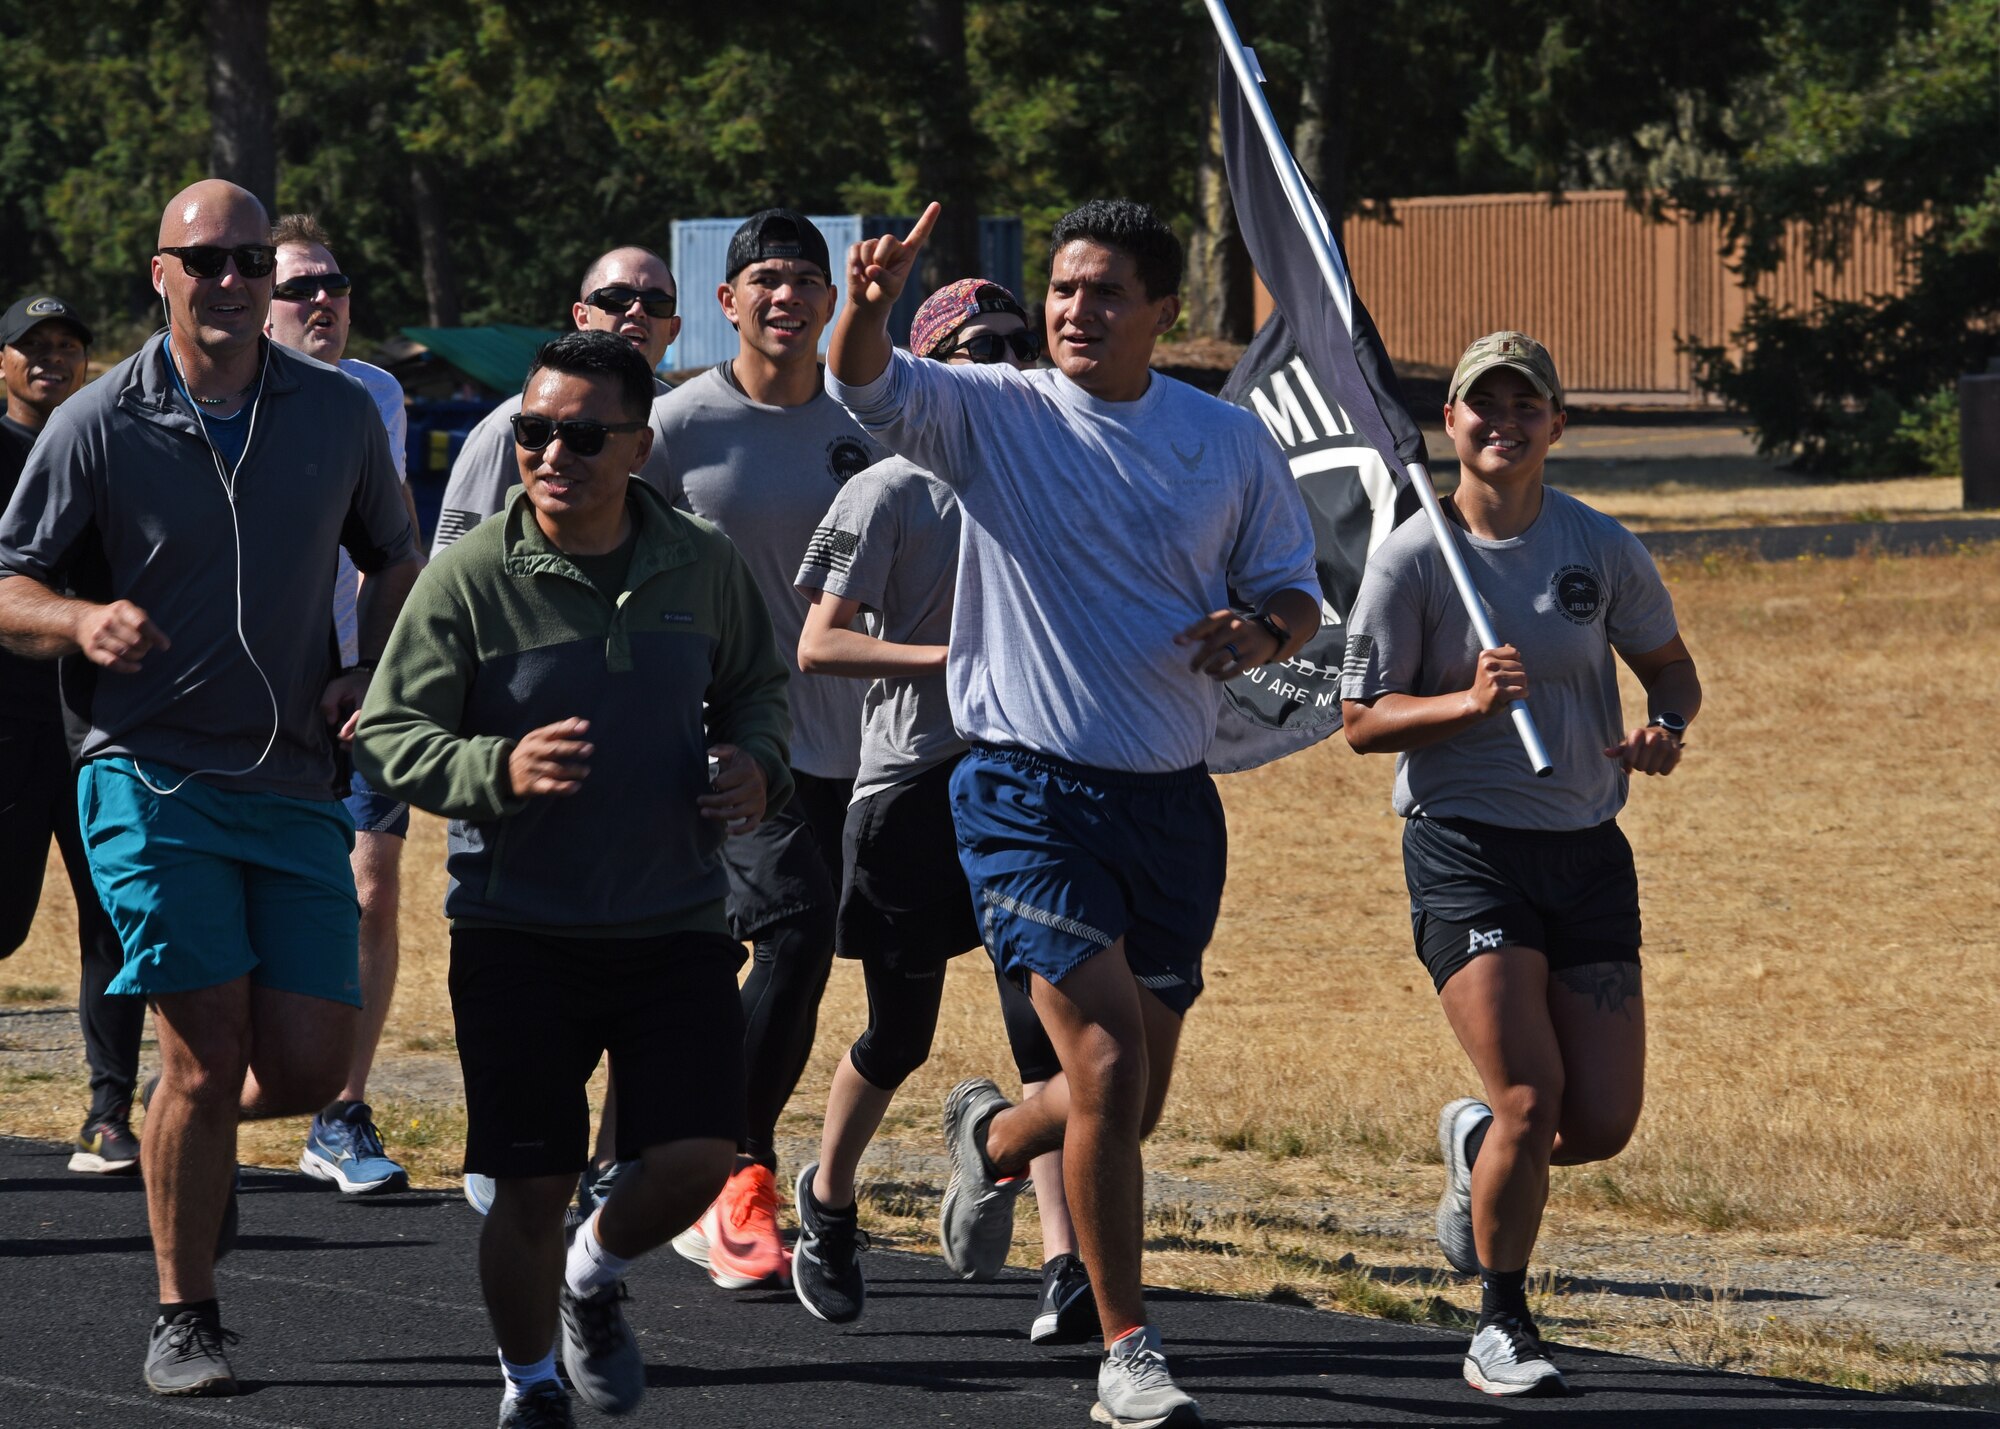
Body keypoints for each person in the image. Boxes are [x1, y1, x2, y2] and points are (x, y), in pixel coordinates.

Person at [827, 200, 1321, 1429]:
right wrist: (865, 303)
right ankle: (1128, 1347)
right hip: (1020, 789)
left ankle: (992, 1137)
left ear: (1163, 310)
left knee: (1129, 1099)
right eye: (1058, 288)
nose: (1072, 310)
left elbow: (1295, 596)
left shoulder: (1226, 440)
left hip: (1167, 801)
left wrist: (1259, 632)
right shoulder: (993, 411)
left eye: (1103, 292)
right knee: (1101, 1064)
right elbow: (862, 384)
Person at [0, 179, 421, 1397]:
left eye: (252, 260)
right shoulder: (97, 419)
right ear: (162, 273)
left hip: (294, 771)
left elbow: (396, 555)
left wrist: (365, 670)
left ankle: (190, 1164)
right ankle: (186, 1314)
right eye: (209, 261)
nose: (231, 281)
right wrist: (81, 618)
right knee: (197, 1052)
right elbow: (10, 582)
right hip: (147, 770)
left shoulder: (338, 416)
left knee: (299, 1068)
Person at [353, 329, 792, 1428]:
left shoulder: (701, 560)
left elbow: (757, 693)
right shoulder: (465, 579)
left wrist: (758, 767)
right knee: (530, 1185)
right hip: (518, 928)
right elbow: (389, 735)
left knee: (697, 1156)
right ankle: (530, 1382)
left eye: (582, 434)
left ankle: (593, 1275)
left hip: (675, 919)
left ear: (637, 445)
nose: (552, 452)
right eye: (534, 432)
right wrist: (489, 767)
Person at [1338, 331, 1701, 1397]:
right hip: (1466, 851)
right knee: (1533, 1097)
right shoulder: (1412, 554)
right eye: (1478, 405)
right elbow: (1359, 722)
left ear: (1554, 423)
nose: (1501, 423)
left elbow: (1671, 672)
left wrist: (1661, 727)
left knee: (1596, 1124)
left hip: (1587, 850)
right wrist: (1465, 702)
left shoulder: (1597, 545)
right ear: (1447, 422)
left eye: (1523, 405)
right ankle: (1499, 1324)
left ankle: (1476, 1145)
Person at [790, 277, 1091, 1345]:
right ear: (930, 365)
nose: (1004, 358)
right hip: (910, 786)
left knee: (1046, 1036)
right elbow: (818, 642)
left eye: (1019, 341)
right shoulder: (887, 489)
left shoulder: (1057, 472)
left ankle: (1065, 1267)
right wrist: (957, 658)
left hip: (1027, 781)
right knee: (900, 1029)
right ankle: (826, 1200)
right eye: (976, 343)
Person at [657, 208, 885, 1293]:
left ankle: (651, 1153)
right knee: (790, 934)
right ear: (727, 300)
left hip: (868, 744)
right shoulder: (673, 428)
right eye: (765, 279)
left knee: (791, 957)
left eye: (804, 278)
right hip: (733, 740)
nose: (785, 295)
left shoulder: (866, 422)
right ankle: (731, 1172)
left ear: (829, 299)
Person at [264, 211, 422, 1196]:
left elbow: (388, 545)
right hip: (253, 684)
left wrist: (367, 669)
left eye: (335, 283)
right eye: (301, 287)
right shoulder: (221, 395)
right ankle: (207, 1084)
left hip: (357, 678)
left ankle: (340, 1112)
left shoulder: (377, 392)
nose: (324, 300)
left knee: (371, 885)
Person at [0, 293, 148, 1176]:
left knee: (114, 921)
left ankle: (106, 1112)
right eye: (32, 346)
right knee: (5, 925)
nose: (51, 358)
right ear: (3, 363)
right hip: (8, 729)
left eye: (67, 345)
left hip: (95, 724)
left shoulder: (108, 447)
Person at [431, 246, 681, 553]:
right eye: (616, 298)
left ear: (673, 328)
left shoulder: (683, 423)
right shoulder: (514, 426)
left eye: (657, 304)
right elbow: (454, 556)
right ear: (582, 316)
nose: (637, 311)